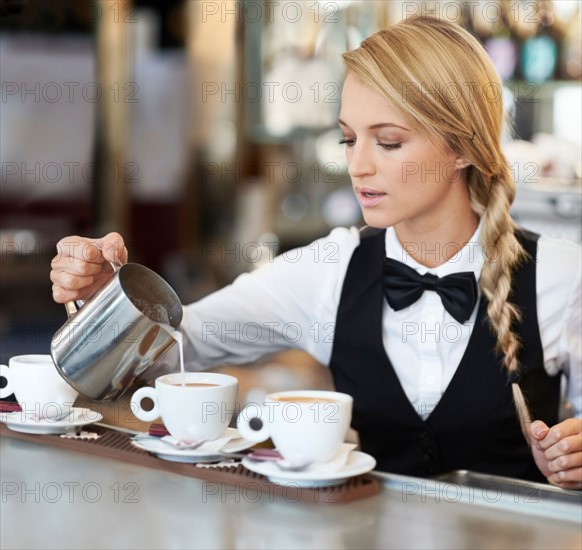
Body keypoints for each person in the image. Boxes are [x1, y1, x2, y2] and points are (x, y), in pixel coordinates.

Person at [50, 17, 581, 489]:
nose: (359, 166)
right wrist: (106, 301)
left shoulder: (562, 274)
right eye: (350, 139)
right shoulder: (327, 269)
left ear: (463, 146)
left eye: (389, 142)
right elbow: (174, 347)